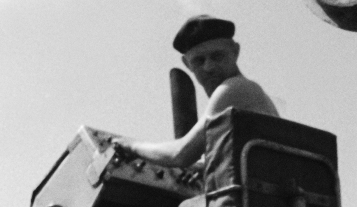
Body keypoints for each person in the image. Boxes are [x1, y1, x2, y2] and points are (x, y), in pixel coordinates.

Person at [114, 15, 279, 168]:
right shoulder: (254, 94)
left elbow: (180, 154)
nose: (208, 67)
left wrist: (132, 146)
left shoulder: (233, 89)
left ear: (235, 52)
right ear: (187, 64)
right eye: (199, 61)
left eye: (217, 56)